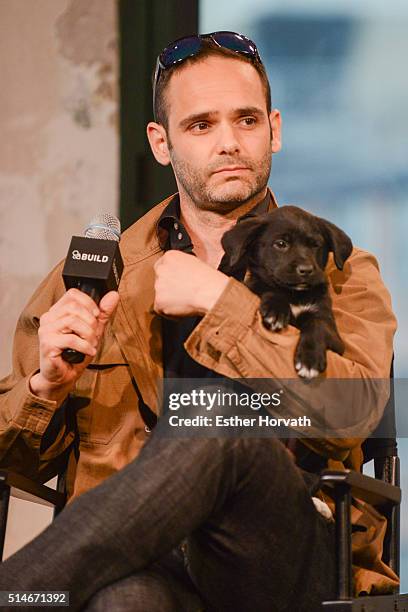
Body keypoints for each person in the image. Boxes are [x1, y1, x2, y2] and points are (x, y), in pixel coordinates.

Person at [0, 32, 399, 611]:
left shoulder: (338, 268)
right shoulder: (95, 274)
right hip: (146, 557)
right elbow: (17, 467)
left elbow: (351, 411)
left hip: (286, 551)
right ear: (161, 144)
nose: (230, 143)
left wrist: (221, 302)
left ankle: (16, 596)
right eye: (201, 125)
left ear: (275, 129)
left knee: (211, 419)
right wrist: (46, 388)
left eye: (246, 120)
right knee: (124, 602)